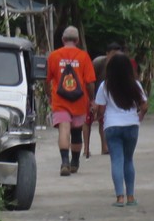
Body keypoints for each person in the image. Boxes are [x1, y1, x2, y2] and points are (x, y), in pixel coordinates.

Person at [94, 53, 147, 207]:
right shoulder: (135, 85)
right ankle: (131, 197)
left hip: (112, 126)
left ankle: (119, 198)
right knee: (128, 160)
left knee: (117, 160)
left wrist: (97, 116)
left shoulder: (105, 85)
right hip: (131, 125)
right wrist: (140, 116)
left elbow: (101, 110)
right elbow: (144, 105)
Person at [47, 26, 97, 177]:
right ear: (77, 40)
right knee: (76, 132)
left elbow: (46, 80)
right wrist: (92, 99)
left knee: (64, 129)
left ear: (63, 39)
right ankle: (74, 163)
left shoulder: (54, 56)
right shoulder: (83, 56)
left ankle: (64, 163)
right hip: (79, 100)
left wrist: (49, 96)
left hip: (60, 100)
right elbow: (90, 82)